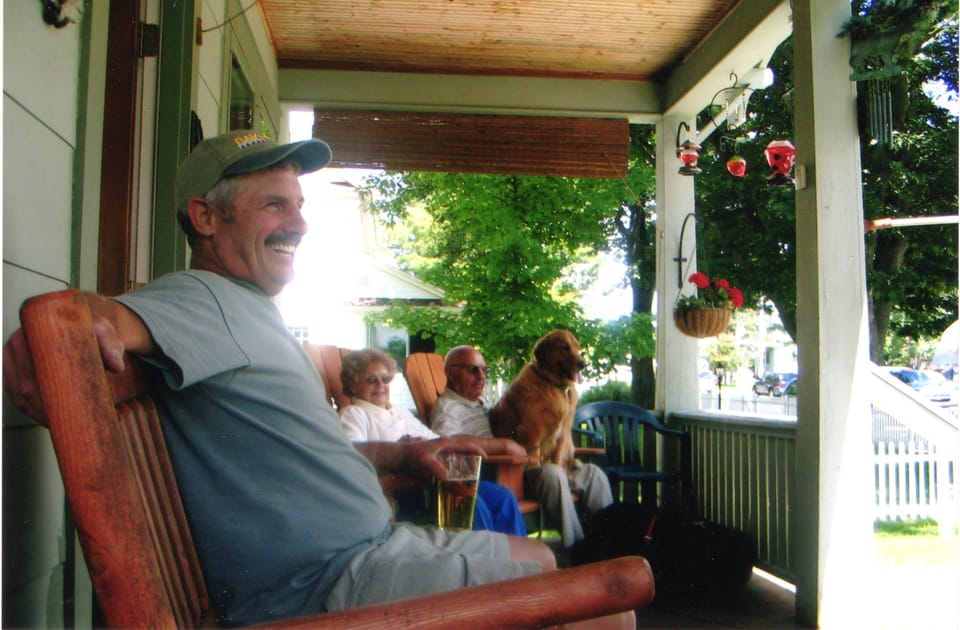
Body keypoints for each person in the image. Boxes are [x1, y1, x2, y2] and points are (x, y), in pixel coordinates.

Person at [3, 130, 634, 629]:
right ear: (205, 217)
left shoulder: (246, 310)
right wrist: (51, 336)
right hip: (325, 586)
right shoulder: (203, 299)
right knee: (605, 601)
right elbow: (85, 317)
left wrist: (408, 451)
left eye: (299, 204)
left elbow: (291, 451)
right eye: (273, 204)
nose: (299, 223)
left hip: (360, 553)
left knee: (547, 558)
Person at [431, 346, 613, 549]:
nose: (481, 376)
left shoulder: (481, 404)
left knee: (594, 474)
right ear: (450, 373)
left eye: (484, 370)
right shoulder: (446, 408)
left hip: (528, 465)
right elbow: (445, 442)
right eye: (472, 369)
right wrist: (503, 444)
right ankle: (578, 547)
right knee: (553, 474)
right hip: (505, 475)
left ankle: (612, 541)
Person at [337, 347, 527, 536]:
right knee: (468, 501)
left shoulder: (400, 412)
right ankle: (490, 561)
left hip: (435, 482)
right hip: (410, 493)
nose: (380, 385)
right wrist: (404, 449)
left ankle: (520, 560)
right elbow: (353, 460)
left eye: (385, 379)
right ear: (353, 385)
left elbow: (437, 442)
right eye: (371, 380)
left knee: (502, 497)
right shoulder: (354, 414)